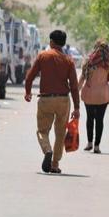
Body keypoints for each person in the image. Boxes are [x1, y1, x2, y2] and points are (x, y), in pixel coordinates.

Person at [24, 29, 79, 174]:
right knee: (60, 133)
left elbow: (30, 77)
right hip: (63, 100)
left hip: (46, 99)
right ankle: (54, 165)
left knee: (42, 130)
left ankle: (47, 150)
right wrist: (77, 107)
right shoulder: (68, 60)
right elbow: (74, 86)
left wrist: (28, 92)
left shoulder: (43, 56)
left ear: (52, 42)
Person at [78, 40, 109, 154]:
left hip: (89, 94)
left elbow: (82, 79)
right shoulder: (108, 64)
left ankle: (89, 143)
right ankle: (97, 146)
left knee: (90, 118)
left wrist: (75, 91)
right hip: (102, 96)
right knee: (100, 120)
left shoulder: (88, 62)